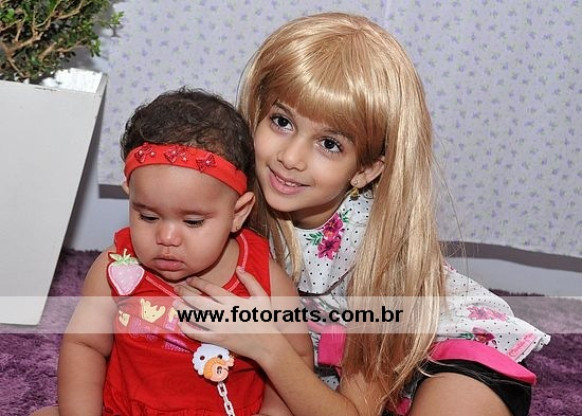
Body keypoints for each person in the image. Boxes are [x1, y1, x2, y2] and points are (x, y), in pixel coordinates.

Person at [175, 13, 550, 416]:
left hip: (452, 352)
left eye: (329, 144)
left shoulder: (379, 252)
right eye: (282, 122)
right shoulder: (233, 199)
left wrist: (267, 346)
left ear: (366, 169)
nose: (291, 157)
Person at [34, 89, 312, 415]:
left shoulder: (263, 281)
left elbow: (295, 355)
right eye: (148, 216)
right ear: (131, 195)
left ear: (237, 213)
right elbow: (85, 344)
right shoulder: (116, 268)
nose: (166, 237)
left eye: (193, 222)